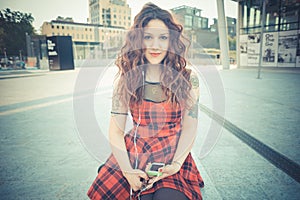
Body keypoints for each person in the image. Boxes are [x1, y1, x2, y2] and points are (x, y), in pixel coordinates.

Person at [87, 3, 204, 200]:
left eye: (163, 38)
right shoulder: (126, 80)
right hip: (135, 152)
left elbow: (190, 127)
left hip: (173, 154)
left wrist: (176, 164)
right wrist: (127, 171)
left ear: (171, 41)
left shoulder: (188, 79)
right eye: (148, 37)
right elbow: (115, 131)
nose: (155, 45)